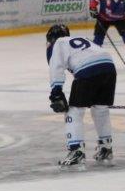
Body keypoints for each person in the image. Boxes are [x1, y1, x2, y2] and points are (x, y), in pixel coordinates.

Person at [46, 24, 117, 170]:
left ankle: (76, 151)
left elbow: (56, 67)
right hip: (109, 66)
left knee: (74, 112)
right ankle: (106, 148)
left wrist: (56, 92)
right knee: (101, 109)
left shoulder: (58, 43)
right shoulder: (81, 39)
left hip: (88, 69)